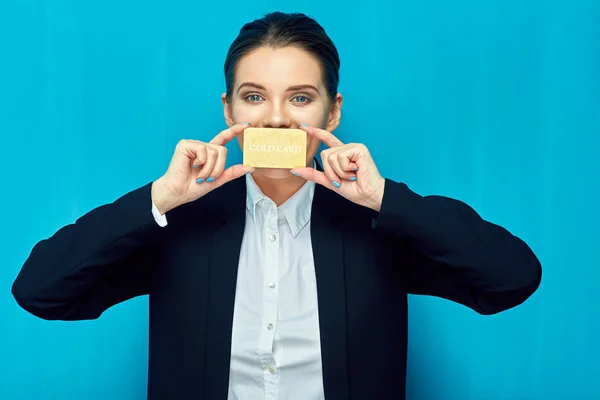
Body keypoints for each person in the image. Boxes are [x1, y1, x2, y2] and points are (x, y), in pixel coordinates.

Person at [11, 11, 542, 400]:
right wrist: (160, 198)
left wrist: (384, 198)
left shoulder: (378, 225)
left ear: (332, 114)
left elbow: (512, 278)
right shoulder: (180, 224)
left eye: (301, 97)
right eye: (254, 96)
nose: (276, 119)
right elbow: (40, 291)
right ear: (229, 108)